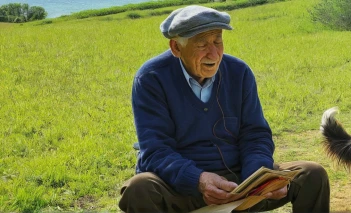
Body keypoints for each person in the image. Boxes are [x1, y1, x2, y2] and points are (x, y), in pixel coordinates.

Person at [118, 5, 330, 213]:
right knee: (139, 188)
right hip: (183, 187)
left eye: (218, 41)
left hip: (238, 181)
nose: (213, 53)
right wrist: (198, 180)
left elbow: (255, 134)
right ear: (176, 47)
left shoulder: (239, 72)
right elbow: (155, 151)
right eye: (202, 44)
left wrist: (256, 179)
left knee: (312, 175)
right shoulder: (152, 78)